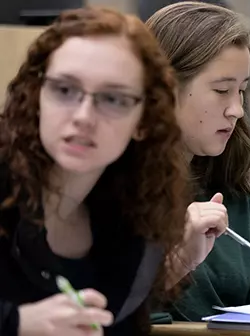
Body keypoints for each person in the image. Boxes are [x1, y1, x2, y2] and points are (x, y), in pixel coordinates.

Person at [0, 6, 189, 336]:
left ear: (144, 121)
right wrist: (17, 324)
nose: (84, 116)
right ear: (37, 96)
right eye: (64, 90)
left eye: (113, 99)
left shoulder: (138, 213)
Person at [146, 1, 250, 321]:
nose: (236, 109)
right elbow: (125, 319)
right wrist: (179, 260)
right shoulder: (115, 189)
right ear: (165, 89)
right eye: (222, 90)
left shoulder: (228, 175)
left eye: (242, 91)